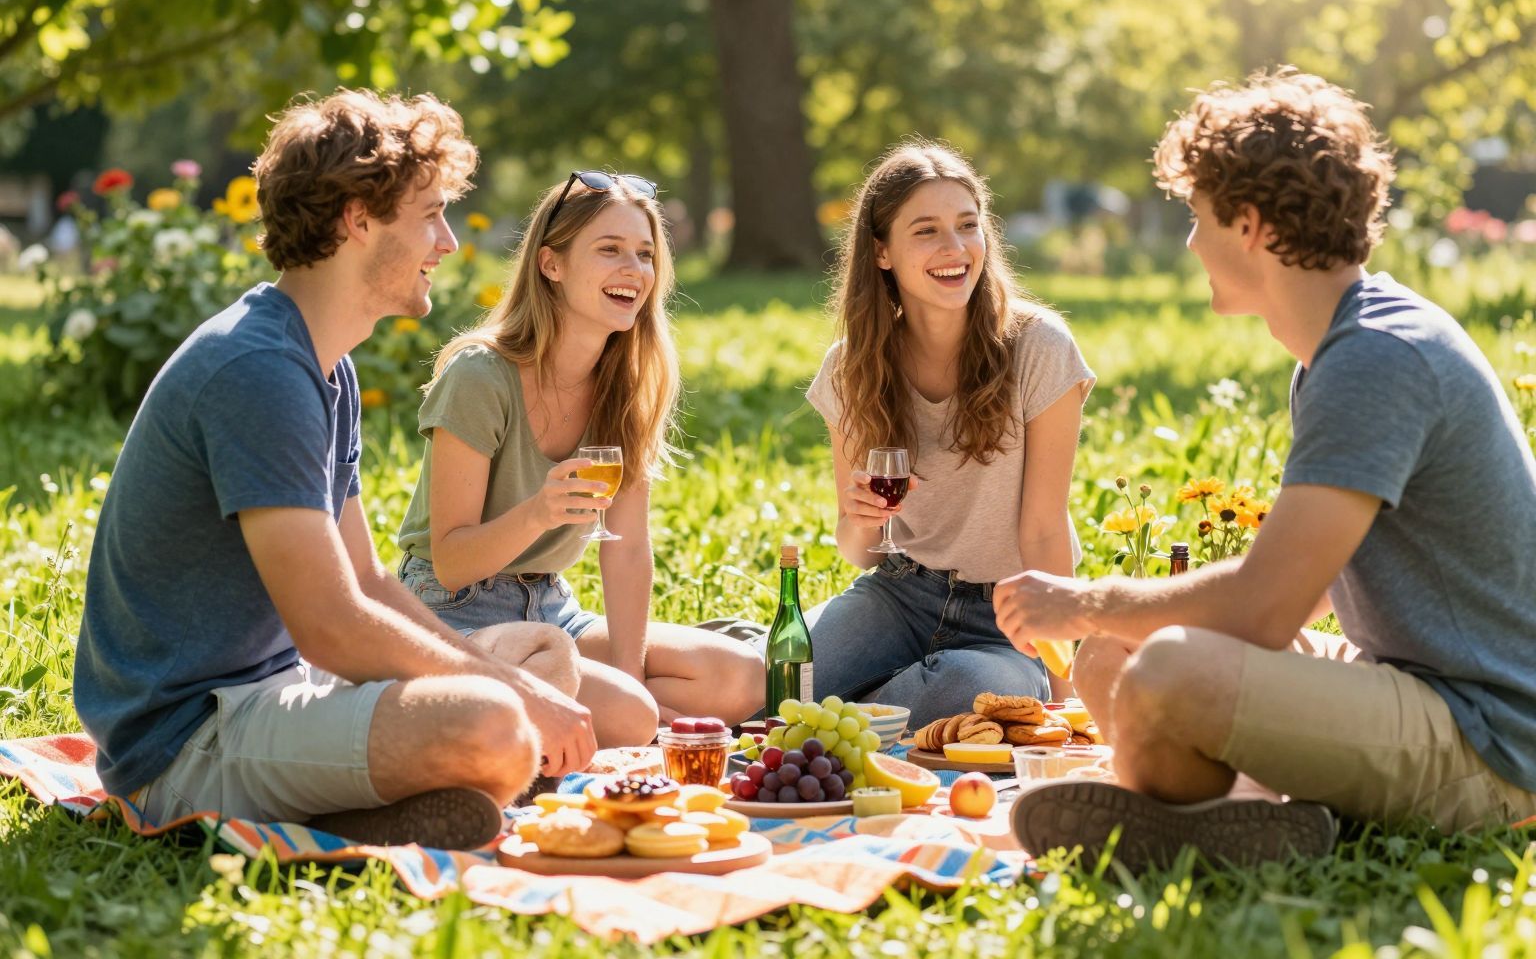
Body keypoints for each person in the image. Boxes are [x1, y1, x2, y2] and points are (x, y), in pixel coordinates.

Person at [1000, 69, 1536, 871]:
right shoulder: (1336, 351)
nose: (1190, 242)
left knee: (1165, 673)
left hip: (1488, 744)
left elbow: (1262, 612)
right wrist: (1106, 622)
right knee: (1112, 655)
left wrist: (1086, 599)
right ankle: (1256, 822)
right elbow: (1307, 583)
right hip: (1406, 688)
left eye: (1198, 216)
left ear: (1248, 225)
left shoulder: (1378, 358)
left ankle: (1227, 818)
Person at [73, 90, 599, 851]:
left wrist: (513, 679)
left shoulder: (325, 366)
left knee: (545, 653)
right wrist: (506, 693)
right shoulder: (257, 369)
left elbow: (370, 582)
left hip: (280, 690)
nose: (448, 242)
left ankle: (380, 802)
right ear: (358, 219)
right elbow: (329, 625)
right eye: (431, 215)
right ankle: (367, 803)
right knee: (495, 722)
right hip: (188, 739)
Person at [395, 171, 764, 730]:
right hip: (452, 613)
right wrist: (539, 512)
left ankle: (605, 715)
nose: (634, 270)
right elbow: (450, 564)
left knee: (740, 676)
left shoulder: (625, 386)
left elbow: (627, 549)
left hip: (552, 608)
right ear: (551, 264)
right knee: (629, 713)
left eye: (645, 254)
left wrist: (631, 680)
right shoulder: (481, 376)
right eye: (610, 249)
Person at [805, 141, 1095, 728]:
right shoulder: (851, 367)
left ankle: (832, 723)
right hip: (900, 596)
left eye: (967, 225)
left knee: (966, 686)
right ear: (881, 251)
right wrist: (860, 518)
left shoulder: (1038, 346)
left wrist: (1066, 699)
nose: (955, 248)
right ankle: (847, 712)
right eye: (927, 231)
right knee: (775, 674)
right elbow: (861, 551)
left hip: (1008, 614)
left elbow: (1044, 530)